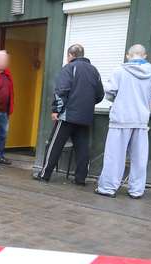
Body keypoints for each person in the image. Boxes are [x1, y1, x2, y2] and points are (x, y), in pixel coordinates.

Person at [95, 44, 151, 199]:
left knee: (114, 156)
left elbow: (110, 94)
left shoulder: (119, 71)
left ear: (128, 55)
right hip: (141, 120)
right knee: (139, 158)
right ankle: (136, 190)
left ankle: (107, 188)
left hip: (121, 118)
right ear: (145, 56)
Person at [37, 44, 104, 185]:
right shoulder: (94, 71)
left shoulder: (69, 68)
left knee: (55, 145)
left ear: (70, 55)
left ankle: (44, 175)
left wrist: (56, 110)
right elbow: (100, 95)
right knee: (82, 148)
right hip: (85, 117)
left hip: (68, 115)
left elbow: (61, 91)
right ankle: (80, 179)